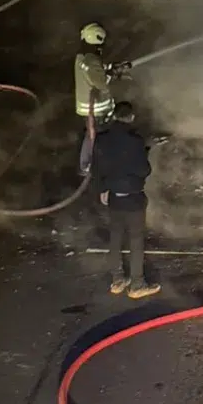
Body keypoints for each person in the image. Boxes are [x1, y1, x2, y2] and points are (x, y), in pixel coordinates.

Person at [91, 102, 161, 298]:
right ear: (131, 117)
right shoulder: (135, 141)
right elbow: (143, 170)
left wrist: (103, 189)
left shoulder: (102, 139)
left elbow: (96, 168)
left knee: (115, 237)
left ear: (114, 116)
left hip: (113, 197)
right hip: (133, 198)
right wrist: (145, 153)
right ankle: (137, 284)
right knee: (136, 239)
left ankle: (117, 280)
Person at [75, 23, 129, 174]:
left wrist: (114, 67)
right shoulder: (91, 60)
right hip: (96, 109)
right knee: (93, 136)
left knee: (91, 135)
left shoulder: (84, 57)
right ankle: (87, 166)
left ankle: (89, 164)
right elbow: (101, 82)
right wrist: (113, 74)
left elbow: (97, 69)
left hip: (87, 107)